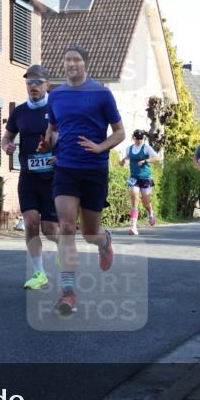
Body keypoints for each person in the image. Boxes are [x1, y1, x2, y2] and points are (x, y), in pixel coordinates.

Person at [40, 46, 125, 316]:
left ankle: (103, 241)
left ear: (85, 64)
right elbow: (53, 130)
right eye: (67, 59)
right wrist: (46, 145)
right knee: (65, 225)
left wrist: (101, 147)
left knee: (89, 233)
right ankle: (68, 293)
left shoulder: (101, 93)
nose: (71, 63)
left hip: (94, 170)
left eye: (76, 59)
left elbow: (120, 132)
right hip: (66, 168)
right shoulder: (56, 95)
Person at [2, 64, 59, 289]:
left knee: (50, 229)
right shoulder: (19, 112)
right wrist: (7, 146)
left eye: (37, 82)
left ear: (47, 84)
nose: (32, 86)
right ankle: (39, 273)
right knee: (31, 223)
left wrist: (61, 154)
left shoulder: (57, 109)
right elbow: (6, 136)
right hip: (29, 177)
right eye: (29, 82)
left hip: (54, 178)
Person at [119, 129, 162, 235]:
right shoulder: (129, 148)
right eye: (137, 138)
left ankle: (150, 211)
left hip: (145, 177)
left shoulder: (146, 147)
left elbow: (158, 158)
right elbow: (129, 157)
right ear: (133, 138)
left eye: (141, 138)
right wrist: (123, 160)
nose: (139, 140)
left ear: (144, 138)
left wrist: (145, 160)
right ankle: (133, 226)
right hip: (134, 177)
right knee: (134, 198)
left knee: (145, 202)